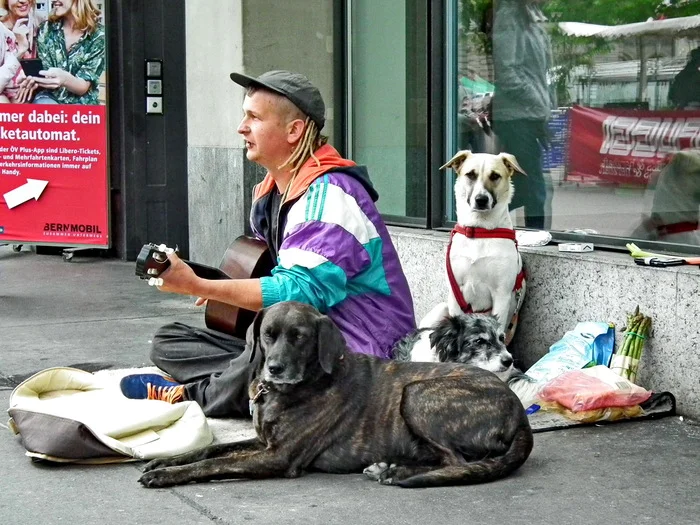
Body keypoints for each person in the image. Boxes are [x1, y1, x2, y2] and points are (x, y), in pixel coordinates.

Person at [120, 70, 417, 417]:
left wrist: (201, 286)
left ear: (294, 131)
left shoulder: (330, 195)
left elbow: (297, 293)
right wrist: (208, 284)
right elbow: (272, 277)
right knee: (170, 341)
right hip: (300, 338)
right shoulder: (272, 191)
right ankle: (252, 387)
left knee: (262, 358)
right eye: (244, 115)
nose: (241, 127)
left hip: (356, 352)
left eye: (254, 118)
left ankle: (196, 397)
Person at [491, 0, 555, 230]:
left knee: (529, 190)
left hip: (529, 116)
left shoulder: (531, 16)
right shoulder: (510, 16)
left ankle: (486, 225)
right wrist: (539, 104)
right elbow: (507, 73)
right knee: (535, 191)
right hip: (516, 118)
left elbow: (539, 75)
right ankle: (535, 240)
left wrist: (543, 111)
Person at [19, 0, 105, 104]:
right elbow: (45, 72)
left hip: (82, 108)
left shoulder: (98, 35)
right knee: (44, 103)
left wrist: (64, 79)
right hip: (49, 99)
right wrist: (34, 80)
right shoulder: (46, 29)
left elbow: (83, 87)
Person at [0, 0, 44, 103]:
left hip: (32, 93)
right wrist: (20, 51)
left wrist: (34, 81)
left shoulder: (40, 22)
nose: (23, 1)